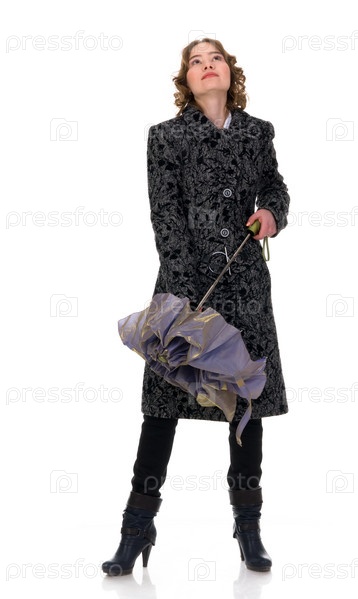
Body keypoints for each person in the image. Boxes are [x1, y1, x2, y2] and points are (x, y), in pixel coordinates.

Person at [102, 37, 290, 576]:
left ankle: (248, 527)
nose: (208, 66)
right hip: (186, 291)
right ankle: (136, 527)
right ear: (186, 79)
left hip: (245, 287)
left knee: (246, 406)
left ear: (231, 71)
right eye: (196, 61)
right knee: (161, 410)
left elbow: (274, 187)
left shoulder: (257, 132)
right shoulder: (165, 137)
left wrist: (272, 212)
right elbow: (164, 215)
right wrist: (188, 301)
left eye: (216, 58)